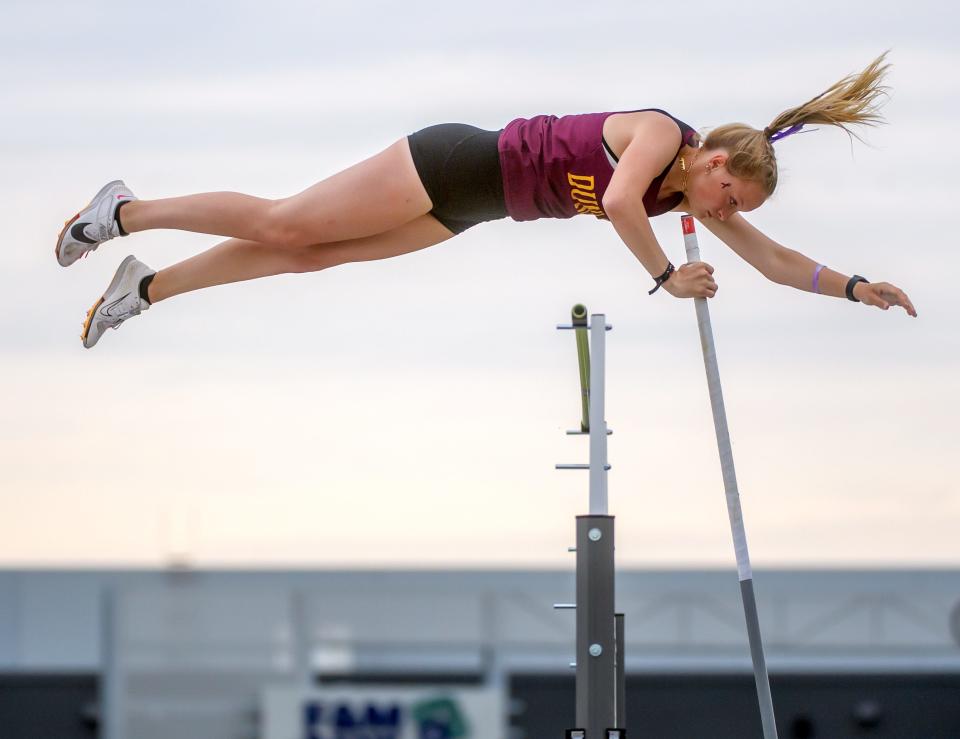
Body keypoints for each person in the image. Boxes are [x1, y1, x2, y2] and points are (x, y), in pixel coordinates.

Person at [56, 52, 915, 349]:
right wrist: (666, 280)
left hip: (474, 207)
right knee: (286, 221)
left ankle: (145, 287)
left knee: (308, 256)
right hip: (451, 161)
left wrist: (852, 285)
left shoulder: (693, 196)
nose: (728, 214)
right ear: (716, 156)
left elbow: (772, 262)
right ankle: (125, 210)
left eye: (737, 210)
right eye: (731, 193)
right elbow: (617, 202)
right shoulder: (661, 138)